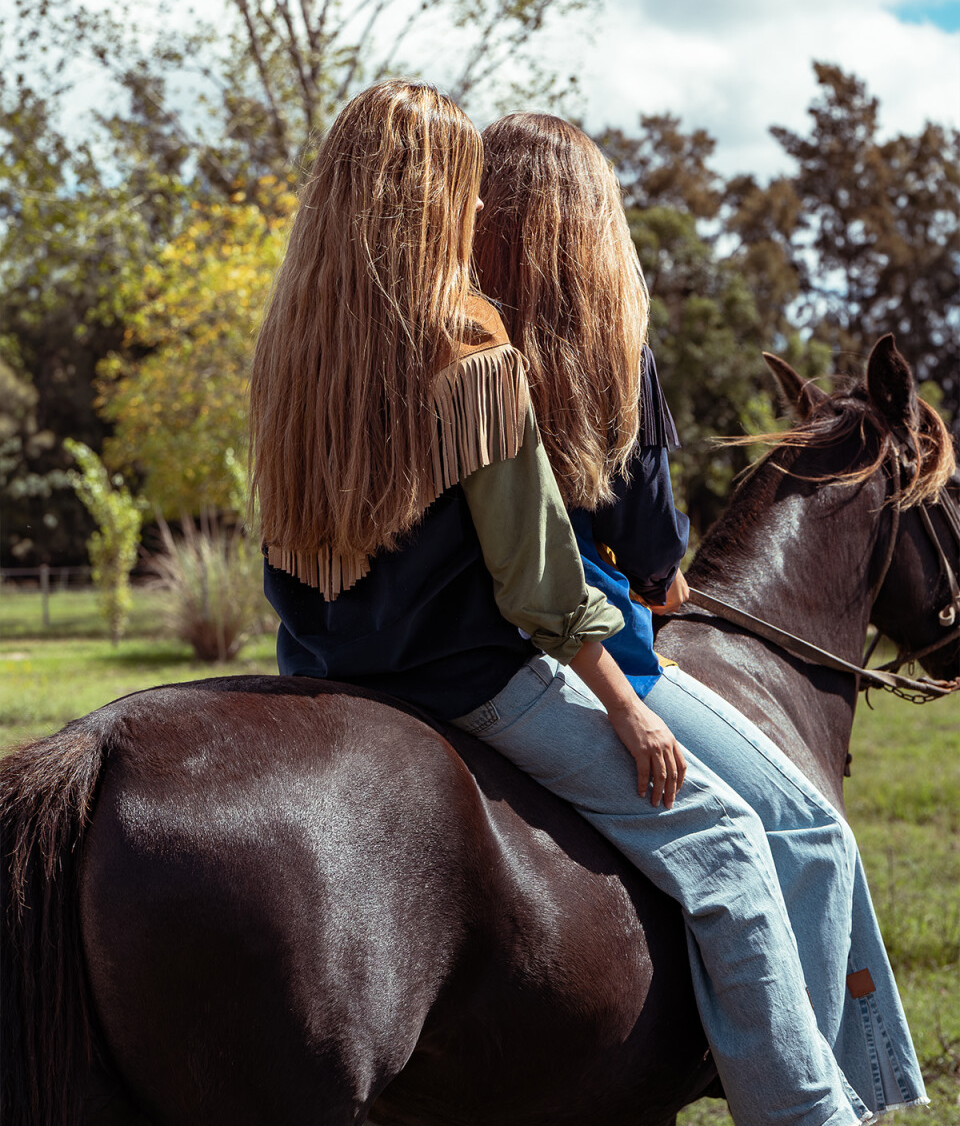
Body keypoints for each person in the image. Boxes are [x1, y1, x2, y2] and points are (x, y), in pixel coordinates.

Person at [251, 78, 868, 1126]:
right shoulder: (472, 352)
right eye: (465, 186)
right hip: (471, 681)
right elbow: (538, 580)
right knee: (726, 846)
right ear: (434, 194)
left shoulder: (297, 352)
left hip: (321, 670)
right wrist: (627, 707)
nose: (483, 210)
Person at [472, 110, 928, 1122]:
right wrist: (661, 576)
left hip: (454, 641)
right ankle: (824, 1099)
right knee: (809, 835)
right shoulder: (606, 349)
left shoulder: (449, 336)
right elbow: (654, 560)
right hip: (584, 656)